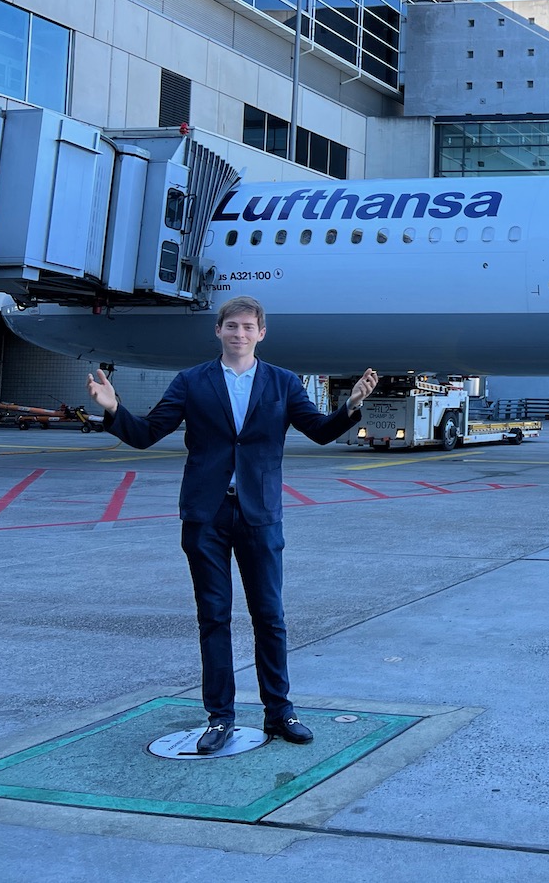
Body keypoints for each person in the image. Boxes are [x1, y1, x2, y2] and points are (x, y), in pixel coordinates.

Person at [86, 295, 378, 755]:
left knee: (270, 617)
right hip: (207, 515)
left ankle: (280, 711)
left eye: (248, 327)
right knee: (214, 617)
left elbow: (320, 431)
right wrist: (111, 408)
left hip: (260, 515)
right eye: (232, 326)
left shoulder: (283, 383)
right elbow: (145, 435)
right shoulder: (191, 382)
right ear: (218, 331)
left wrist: (352, 405)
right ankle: (220, 717)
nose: (239, 334)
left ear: (261, 334)